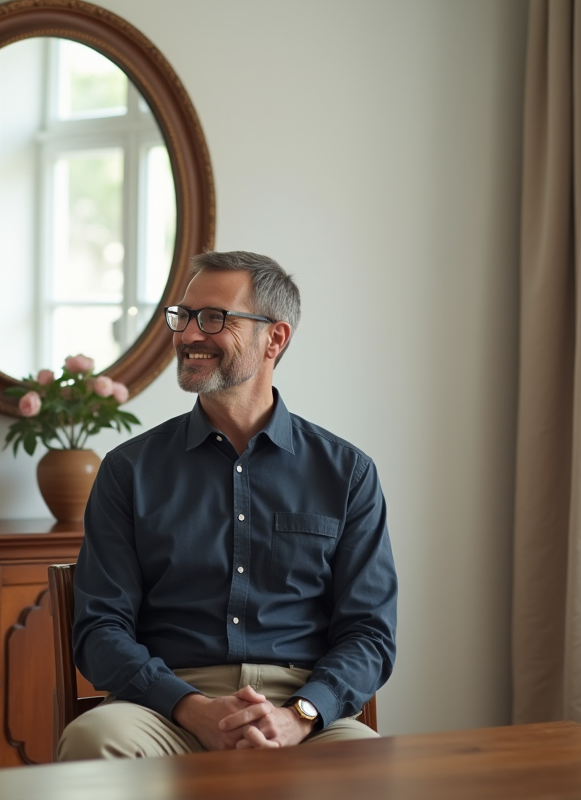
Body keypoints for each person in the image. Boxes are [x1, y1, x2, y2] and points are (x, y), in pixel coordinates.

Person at [58, 250, 397, 760]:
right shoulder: (128, 470)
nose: (189, 334)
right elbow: (100, 629)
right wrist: (190, 707)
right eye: (185, 316)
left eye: (214, 318)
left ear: (275, 338)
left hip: (303, 709)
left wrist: (299, 716)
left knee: (371, 763)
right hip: (164, 708)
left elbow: (370, 634)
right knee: (93, 738)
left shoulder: (349, 474)